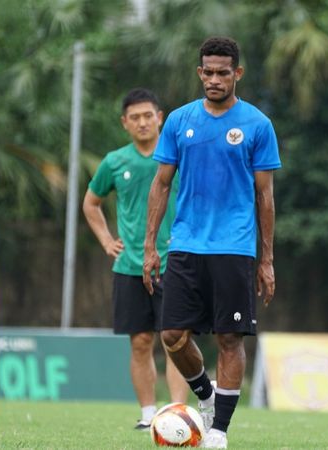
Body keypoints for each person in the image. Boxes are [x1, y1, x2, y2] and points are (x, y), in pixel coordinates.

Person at [142, 36, 280, 449]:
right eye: (208, 72)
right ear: (199, 72)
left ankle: (219, 430)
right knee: (171, 335)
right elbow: (161, 184)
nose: (215, 79)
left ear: (237, 74)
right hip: (186, 244)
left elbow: (265, 197)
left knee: (229, 338)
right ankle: (205, 394)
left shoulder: (257, 125)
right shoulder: (180, 121)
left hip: (234, 247)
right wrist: (151, 245)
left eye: (224, 73)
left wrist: (267, 259)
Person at [82, 88, 188, 429]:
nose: (143, 122)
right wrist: (106, 240)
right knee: (141, 342)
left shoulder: (179, 156)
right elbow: (91, 203)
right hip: (129, 266)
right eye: (135, 117)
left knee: (176, 339)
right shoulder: (115, 161)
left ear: (160, 117)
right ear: (125, 123)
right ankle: (147, 414)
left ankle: (177, 412)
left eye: (148, 115)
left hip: (174, 262)